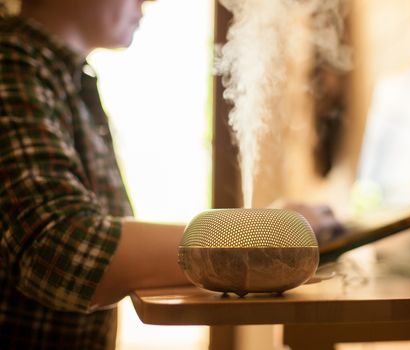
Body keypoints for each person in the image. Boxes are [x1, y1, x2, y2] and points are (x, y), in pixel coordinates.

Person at [0, 0, 342, 348]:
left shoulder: (59, 75)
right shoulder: (11, 66)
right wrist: (262, 232)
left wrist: (265, 228)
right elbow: (61, 247)